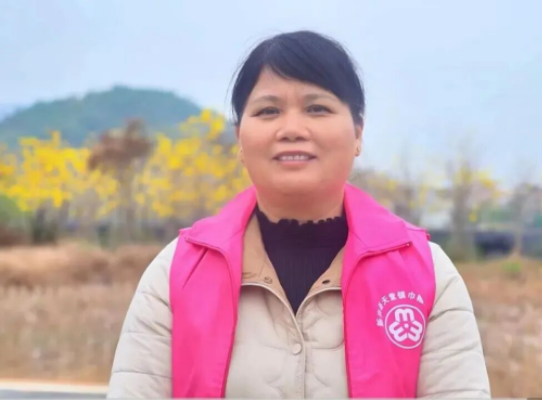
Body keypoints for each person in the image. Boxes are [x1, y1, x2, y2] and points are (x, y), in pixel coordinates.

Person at [107, 30, 491, 400]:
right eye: (268, 110)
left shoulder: (425, 273)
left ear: (358, 132)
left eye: (317, 108)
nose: (291, 129)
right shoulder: (177, 271)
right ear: (240, 138)